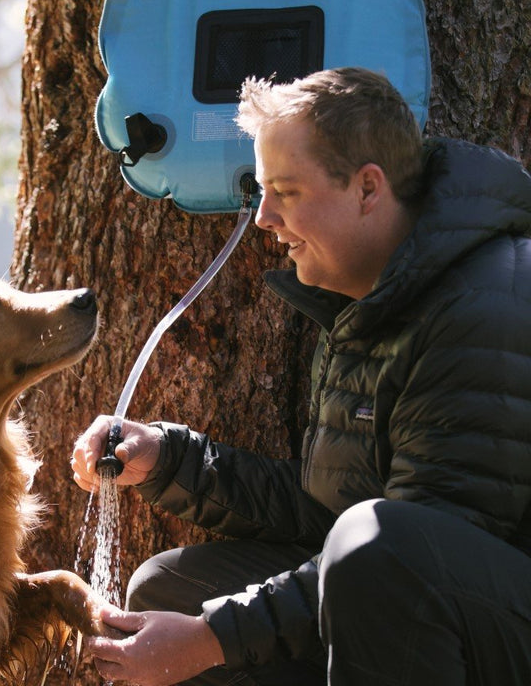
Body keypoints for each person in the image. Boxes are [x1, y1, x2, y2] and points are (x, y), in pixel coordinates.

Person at [70, 67, 531, 686]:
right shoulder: (375, 300)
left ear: (368, 188)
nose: (263, 218)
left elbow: (407, 558)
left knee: (377, 546)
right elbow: (332, 515)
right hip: (408, 596)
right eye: (263, 191)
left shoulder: (484, 305)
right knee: (168, 591)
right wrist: (170, 460)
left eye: (285, 191)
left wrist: (210, 639)